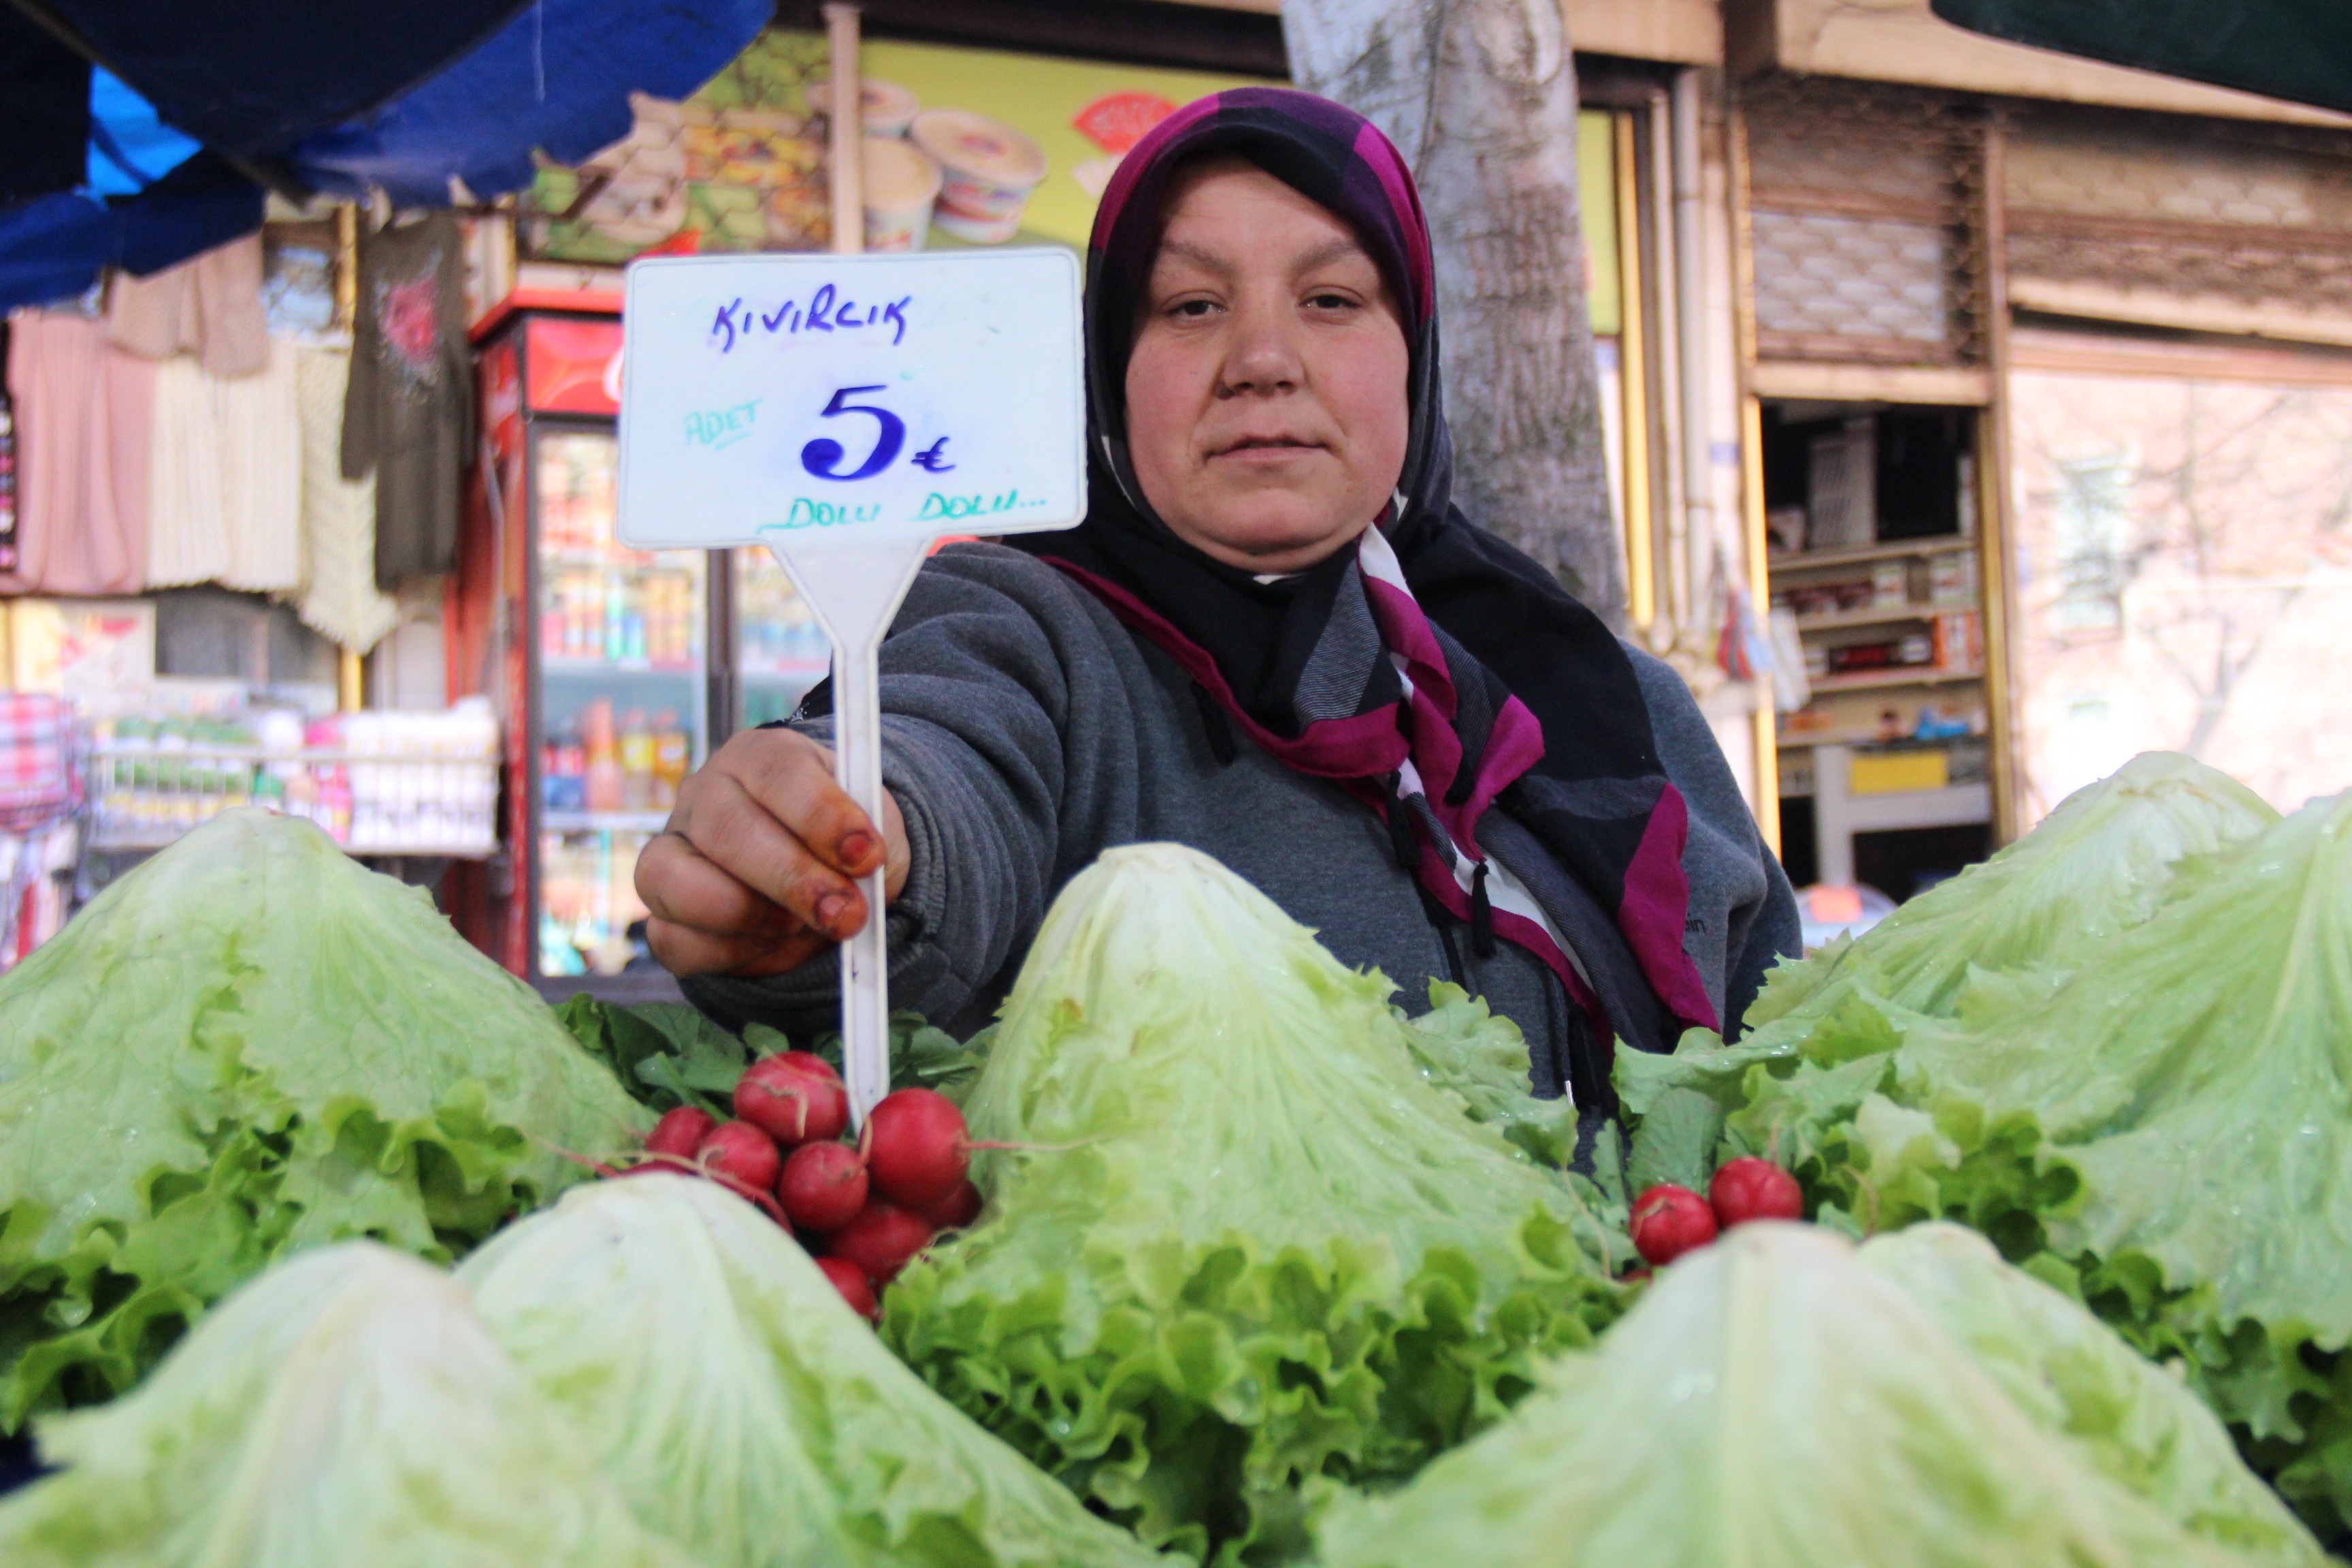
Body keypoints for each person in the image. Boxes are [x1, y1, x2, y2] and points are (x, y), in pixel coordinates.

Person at [638, 87, 1797, 1131]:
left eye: (1334, 298)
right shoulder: (1030, 633)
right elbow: (942, 759)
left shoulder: (1600, 703)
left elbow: (1777, 1065)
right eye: (1190, 306)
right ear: (1109, 371)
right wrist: (849, 854)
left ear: (1415, 362)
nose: (1261, 360)